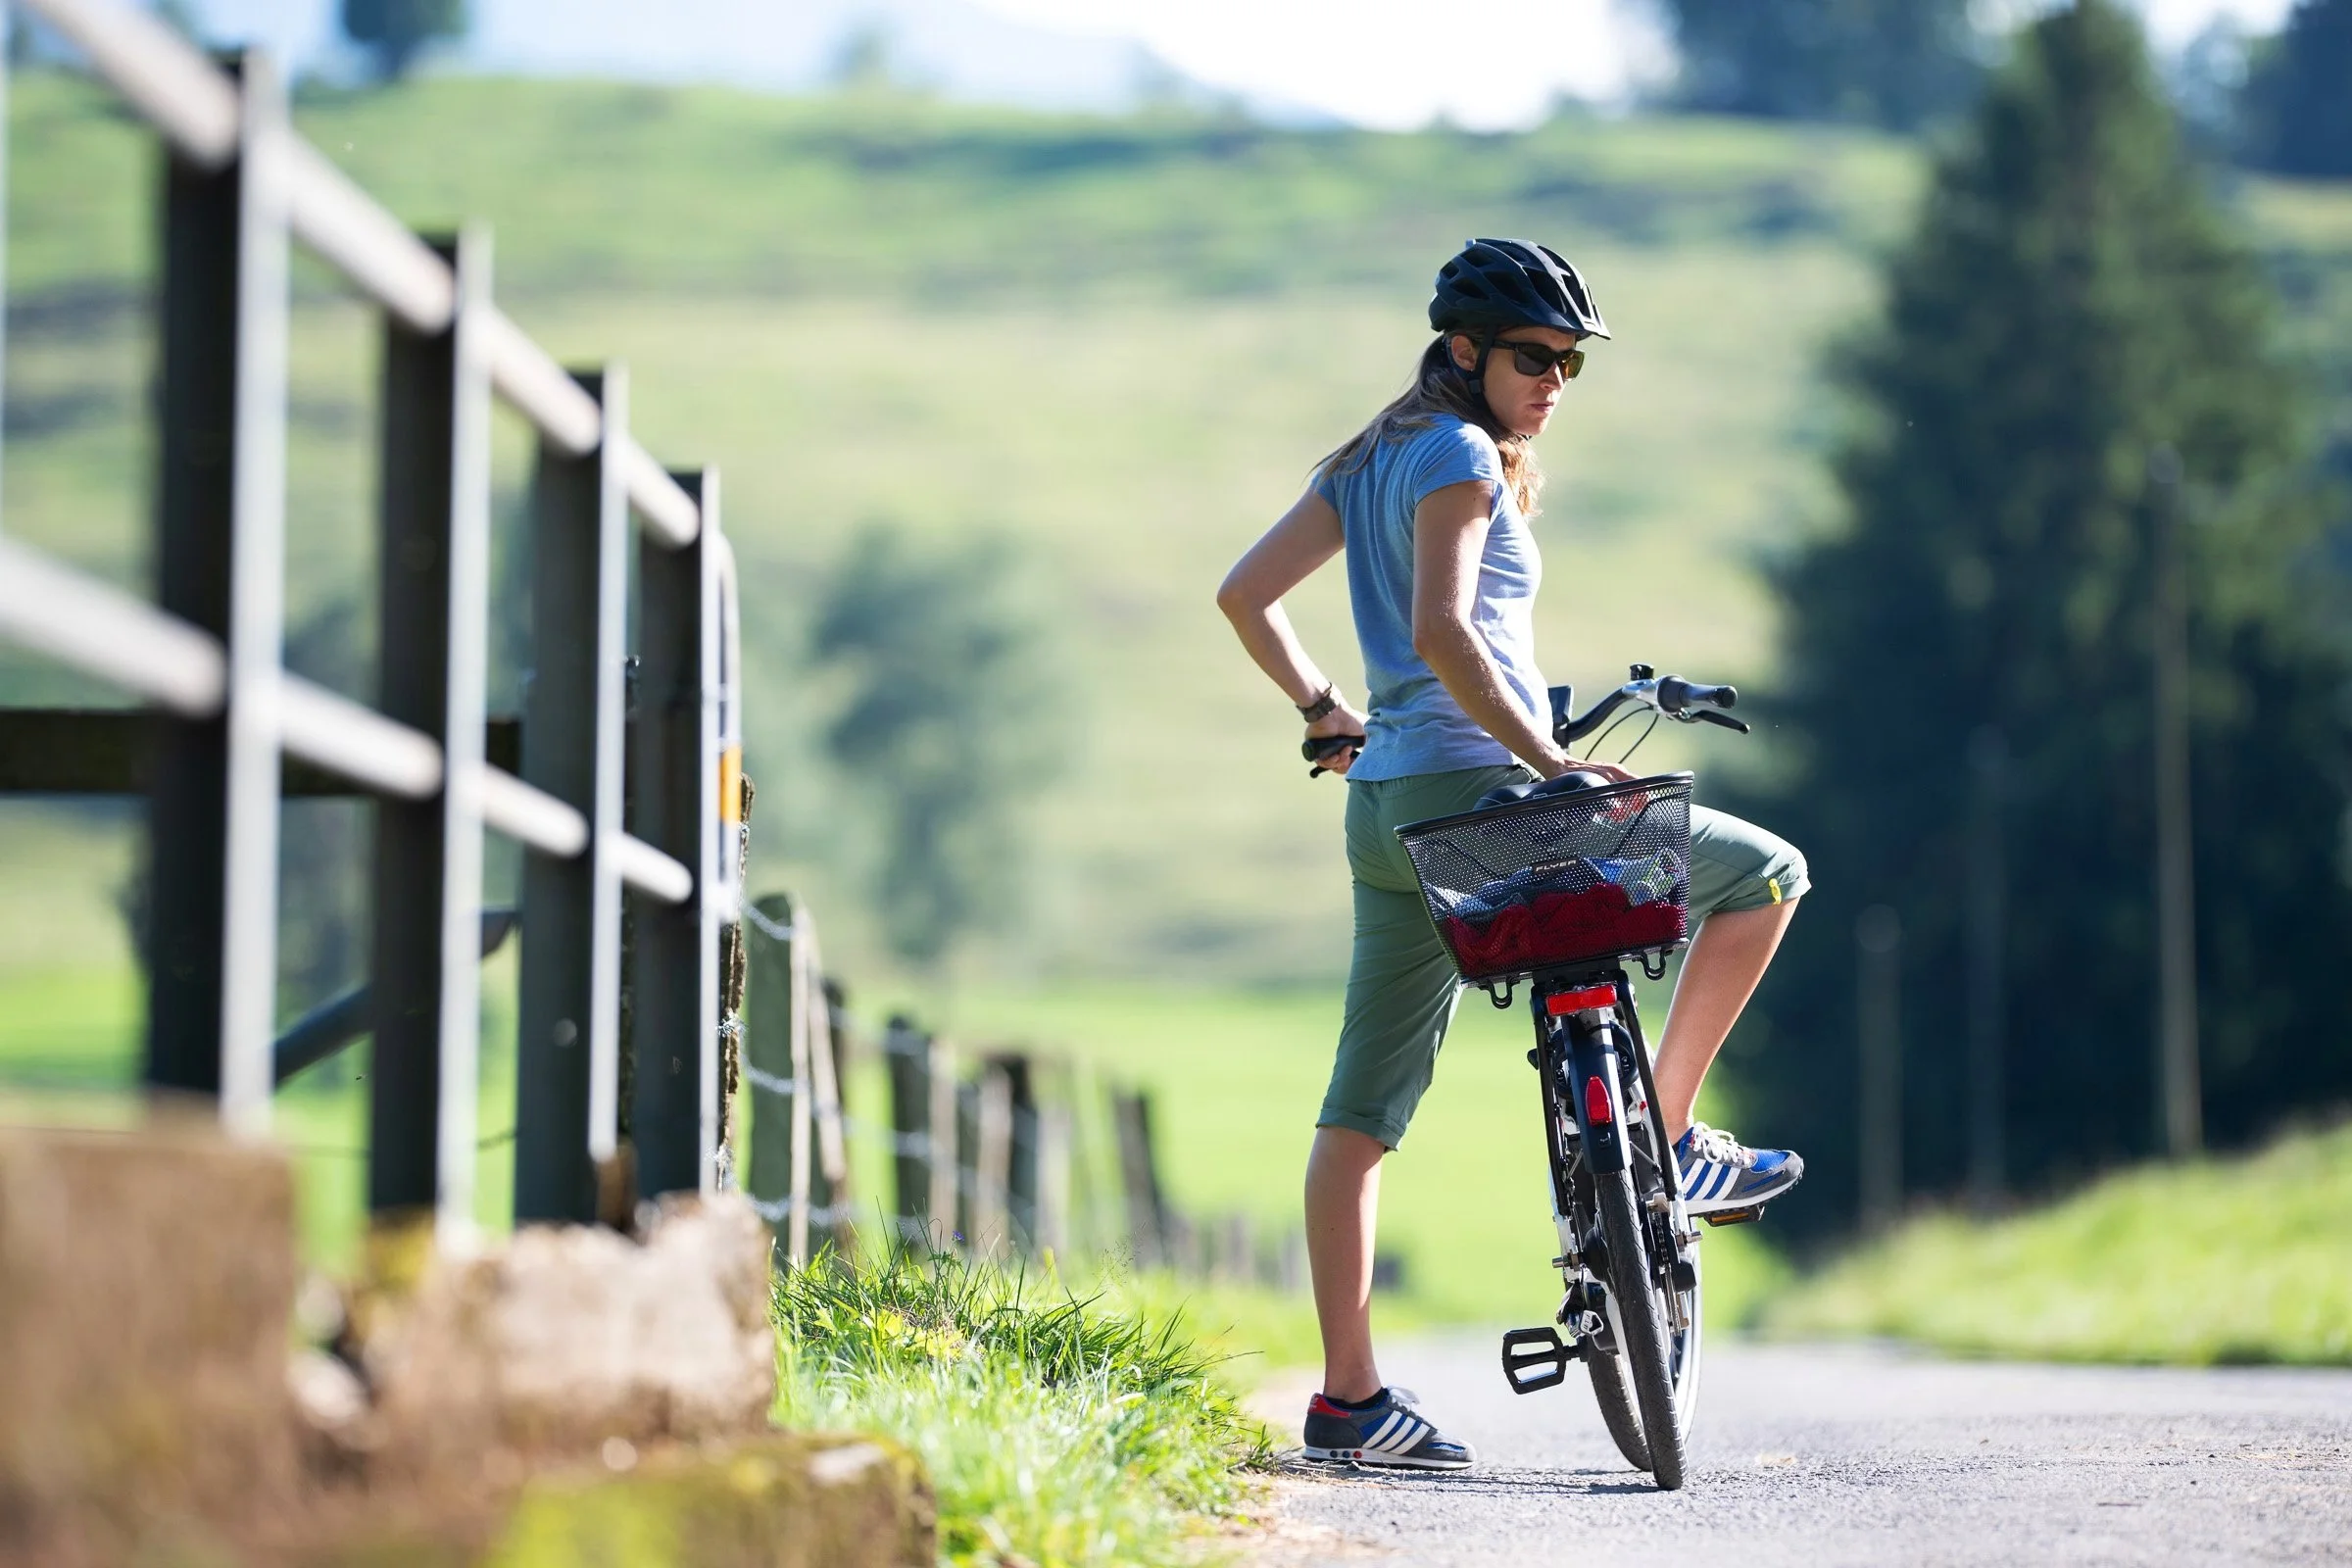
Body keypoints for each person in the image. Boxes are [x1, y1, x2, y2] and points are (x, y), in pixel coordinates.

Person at [1214, 238, 1810, 1472]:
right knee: (1769, 875)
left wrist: (1329, 712)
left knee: (1360, 1112)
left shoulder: (1370, 455)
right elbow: (1443, 629)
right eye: (1535, 357)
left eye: (1571, 364)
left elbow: (1244, 594)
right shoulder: (1460, 453)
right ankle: (1677, 1133)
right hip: (1487, 796)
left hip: (1384, 813)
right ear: (1463, 350)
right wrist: (1549, 761)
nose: (1553, 382)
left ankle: (1348, 1402)